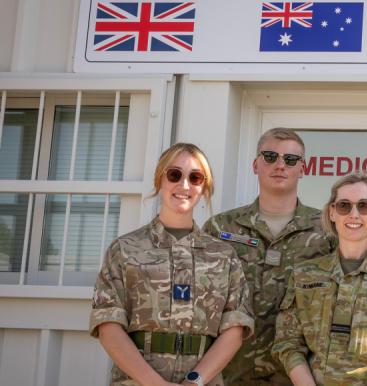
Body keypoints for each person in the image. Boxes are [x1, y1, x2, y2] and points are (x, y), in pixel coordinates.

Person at [90, 143, 254, 386]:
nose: (184, 185)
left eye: (195, 177)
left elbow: (235, 329)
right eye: (174, 174)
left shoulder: (223, 256)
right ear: (160, 180)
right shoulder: (125, 249)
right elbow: (108, 325)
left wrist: (194, 381)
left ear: (204, 188)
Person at [203, 128, 336, 385]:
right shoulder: (220, 228)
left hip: (301, 375)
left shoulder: (326, 230)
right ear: (255, 164)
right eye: (270, 156)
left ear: (303, 169)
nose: (279, 165)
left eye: (290, 159)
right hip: (230, 370)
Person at [273, 172, 367, 386]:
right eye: (344, 205)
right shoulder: (305, 275)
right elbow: (287, 343)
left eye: (364, 206)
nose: (354, 214)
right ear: (332, 213)